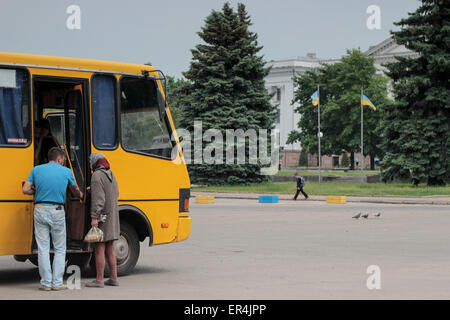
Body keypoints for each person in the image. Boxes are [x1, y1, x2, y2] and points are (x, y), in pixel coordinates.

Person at [22, 147, 83, 291]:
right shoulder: (66, 171)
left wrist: (35, 191)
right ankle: (56, 283)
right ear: (60, 158)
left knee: (43, 248)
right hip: (57, 210)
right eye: (63, 160)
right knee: (60, 248)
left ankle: (45, 283)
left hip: (40, 209)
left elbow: (25, 189)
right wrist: (81, 194)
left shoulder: (36, 169)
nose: (63, 162)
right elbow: (75, 191)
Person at [86, 153, 120, 288]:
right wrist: (92, 189)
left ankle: (99, 280)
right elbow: (115, 193)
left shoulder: (96, 175)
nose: (89, 165)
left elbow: (99, 200)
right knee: (110, 249)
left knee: (99, 248)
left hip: (102, 217)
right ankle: (113, 278)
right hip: (112, 217)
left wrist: (94, 217)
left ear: (95, 162)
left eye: (90, 162)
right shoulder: (110, 174)